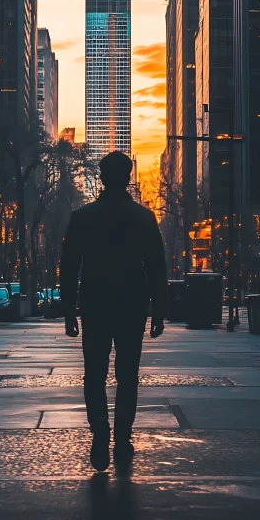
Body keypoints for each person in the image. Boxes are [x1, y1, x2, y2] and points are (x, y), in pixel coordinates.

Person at [60, 150, 167, 472]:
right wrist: (158, 310)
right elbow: (156, 267)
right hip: (132, 303)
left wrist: (68, 310)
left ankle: (99, 432)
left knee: (94, 373)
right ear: (129, 176)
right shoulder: (144, 217)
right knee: (127, 375)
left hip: (95, 303)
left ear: (102, 177)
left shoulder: (82, 217)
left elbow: (69, 267)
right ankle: (122, 438)